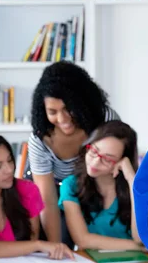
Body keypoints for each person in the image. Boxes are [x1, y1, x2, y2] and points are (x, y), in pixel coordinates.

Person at [27, 61, 119, 246]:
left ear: (82, 102)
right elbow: (48, 200)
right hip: (53, 193)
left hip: (94, 188)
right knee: (62, 239)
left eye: (68, 109)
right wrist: (57, 248)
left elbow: (118, 164)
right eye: (52, 112)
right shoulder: (39, 139)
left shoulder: (105, 120)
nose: (62, 119)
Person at [0, 130, 73, 259]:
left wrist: (35, 245)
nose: (9, 170)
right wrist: (37, 245)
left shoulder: (27, 191)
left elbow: (30, 241)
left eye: (10, 161)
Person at [58, 121, 143, 251]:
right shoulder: (70, 185)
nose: (95, 162)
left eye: (107, 159)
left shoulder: (137, 188)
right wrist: (137, 247)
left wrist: (131, 179)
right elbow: (82, 240)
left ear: (122, 161)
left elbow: (140, 238)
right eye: (93, 151)